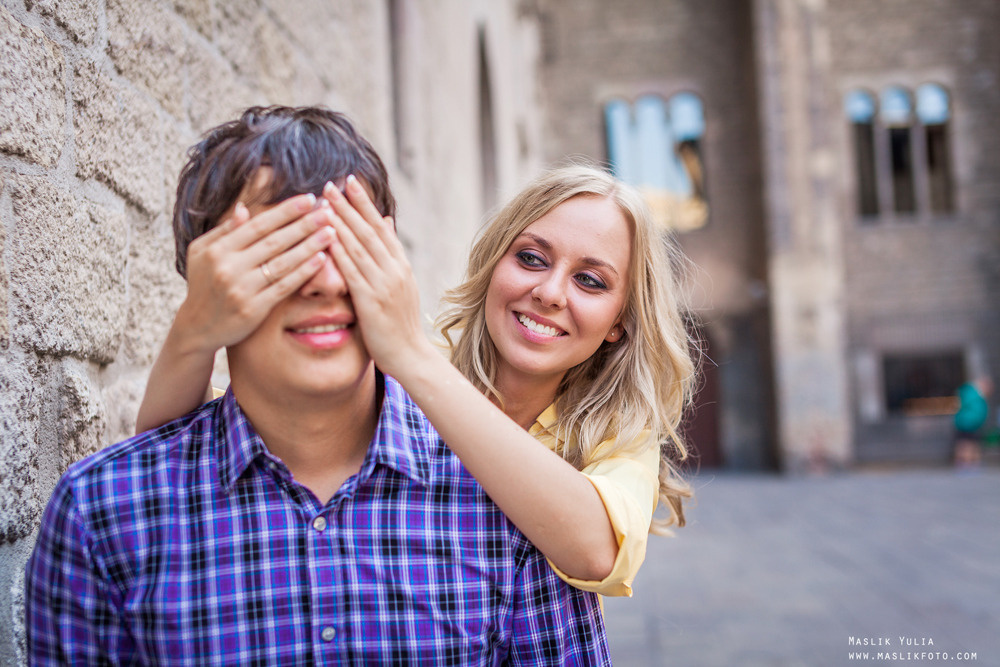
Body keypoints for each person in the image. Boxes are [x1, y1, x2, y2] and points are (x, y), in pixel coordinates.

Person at [25, 106, 610, 665]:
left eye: (349, 247)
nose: (326, 282)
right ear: (208, 281)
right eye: (282, 251)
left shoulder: (512, 497)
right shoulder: (98, 513)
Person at [135, 154, 697, 598]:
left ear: (620, 321)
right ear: (493, 262)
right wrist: (195, 331)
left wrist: (408, 356)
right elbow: (169, 449)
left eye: (590, 282)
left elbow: (595, 551)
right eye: (531, 258)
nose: (549, 293)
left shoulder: (619, 436)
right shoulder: (398, 379)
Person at [953, 376, 993, 468]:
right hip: (969, 424)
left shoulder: (971, 393)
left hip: (970, 423)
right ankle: (966, 463)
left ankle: (970, 462)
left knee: (969, 444)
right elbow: (974, 410)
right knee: (967, 444)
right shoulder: (974, 395)